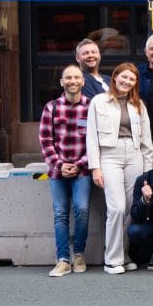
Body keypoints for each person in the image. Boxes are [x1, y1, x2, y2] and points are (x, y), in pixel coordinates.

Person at [86, 62, 153, 274]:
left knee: (132, 208)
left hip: (134, 155)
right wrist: (95, 167)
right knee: (116, 208)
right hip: (110, 155)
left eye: (131, 79)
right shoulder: (98, 102)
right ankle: (112, 259)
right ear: (115, 77)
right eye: (123, 77)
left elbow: (147, 142)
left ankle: (123, 254)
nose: (127, 82)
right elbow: (91, 137)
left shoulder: (138, 105)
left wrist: (147, 173)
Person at [40, 64, 92, 277]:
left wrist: (78, 164)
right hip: (57, 172)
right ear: (62, 82)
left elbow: (96, 142)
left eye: (76, 77)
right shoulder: (51, 107)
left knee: (82, 210)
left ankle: (78, 254)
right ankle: (63, 259)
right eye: (68, 77)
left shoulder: (92, 107)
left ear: (83, 81)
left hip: (83, 171)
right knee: (60, 214)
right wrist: (61, 165)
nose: (72, 81)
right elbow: (45, 140)